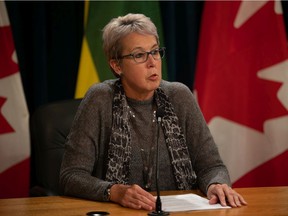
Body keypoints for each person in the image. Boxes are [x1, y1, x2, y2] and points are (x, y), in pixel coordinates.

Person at [59, 13, 247, 211]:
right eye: (139, 55)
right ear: (116, 65)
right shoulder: (100, 99)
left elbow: (211, 166)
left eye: (155, 52)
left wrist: (215, 184)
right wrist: (114, 191)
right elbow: (71, 176)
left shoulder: (179, 96)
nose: (152, 62)